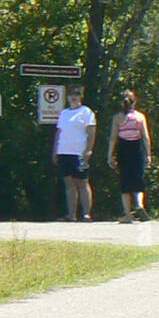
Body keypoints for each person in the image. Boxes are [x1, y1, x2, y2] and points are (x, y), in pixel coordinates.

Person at [51, 85, 96, 221]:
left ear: (81, 96)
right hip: (64, 152)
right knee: (69, 183)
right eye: (71, 94)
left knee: (82, 182)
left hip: (79, 152)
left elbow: (91, 132)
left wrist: (88, 150)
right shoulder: (64, 113)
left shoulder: (86, 112)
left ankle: (86, 214)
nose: (74, 97)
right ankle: (71, 215)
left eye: (76, 94)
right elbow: (59, 133)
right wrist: (55, 151)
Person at [109, 90, 152, 223]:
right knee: (138, 179)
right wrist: (149, 154)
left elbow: (113, 138)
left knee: (125, 182)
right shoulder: (140, 117)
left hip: (123, 149)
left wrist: (110, 155)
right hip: (137, 149)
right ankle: (139, 204)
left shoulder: (117, 118)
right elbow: (145, 137)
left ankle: (128, 214)